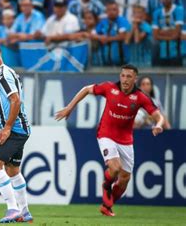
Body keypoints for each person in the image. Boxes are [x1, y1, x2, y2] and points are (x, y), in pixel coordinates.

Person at [55, 64, 164, 217]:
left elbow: (158, 115)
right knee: (115, 168)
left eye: (129, 76)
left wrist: (158, 125)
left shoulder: (140, 97)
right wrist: (69, 108)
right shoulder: (109, 88)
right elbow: (86, 89)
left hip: (126, 140)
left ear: (135, 79)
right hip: (106, 134)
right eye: (123, 75)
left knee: (125, 179)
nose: (125, 79)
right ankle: (106, 186)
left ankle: (107, 206)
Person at [0, 41, 33, 223]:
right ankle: (24, 212)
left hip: (15, 129)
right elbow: (11, 103)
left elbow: (16, 101)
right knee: (13, 170)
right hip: (20, 127)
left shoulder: (2, 74)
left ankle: (12, 209)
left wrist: (7, 127)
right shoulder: (4, 73)